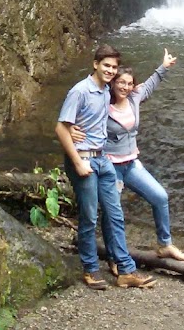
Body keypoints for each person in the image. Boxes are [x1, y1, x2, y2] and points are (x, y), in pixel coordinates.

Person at [71, 47, 184, 272]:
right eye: (121, 82)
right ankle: (114, 258)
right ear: (113, 83)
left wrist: (163, 66)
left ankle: (165, 244)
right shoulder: (102, 103)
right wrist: (72, 130)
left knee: (160, 197)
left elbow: (152, 83)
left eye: (129, 83)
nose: (125, 87)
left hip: (131, 164)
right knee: (112, 213)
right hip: (109, 166)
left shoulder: (135, 97)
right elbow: (80, 116)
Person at [55, 43, 156, 290]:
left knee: (115, 214)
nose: (111, 70)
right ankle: (90, 269)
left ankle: (125, 270)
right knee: (89, 216)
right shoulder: (80, 91)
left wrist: (161, 70)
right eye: (107, 66)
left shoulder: (107, 91)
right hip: (84, 159)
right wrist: (78, 162)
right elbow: (60, 127)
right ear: (95, 64)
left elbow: (132, 92)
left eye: (114, 67)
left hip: (104, 159)